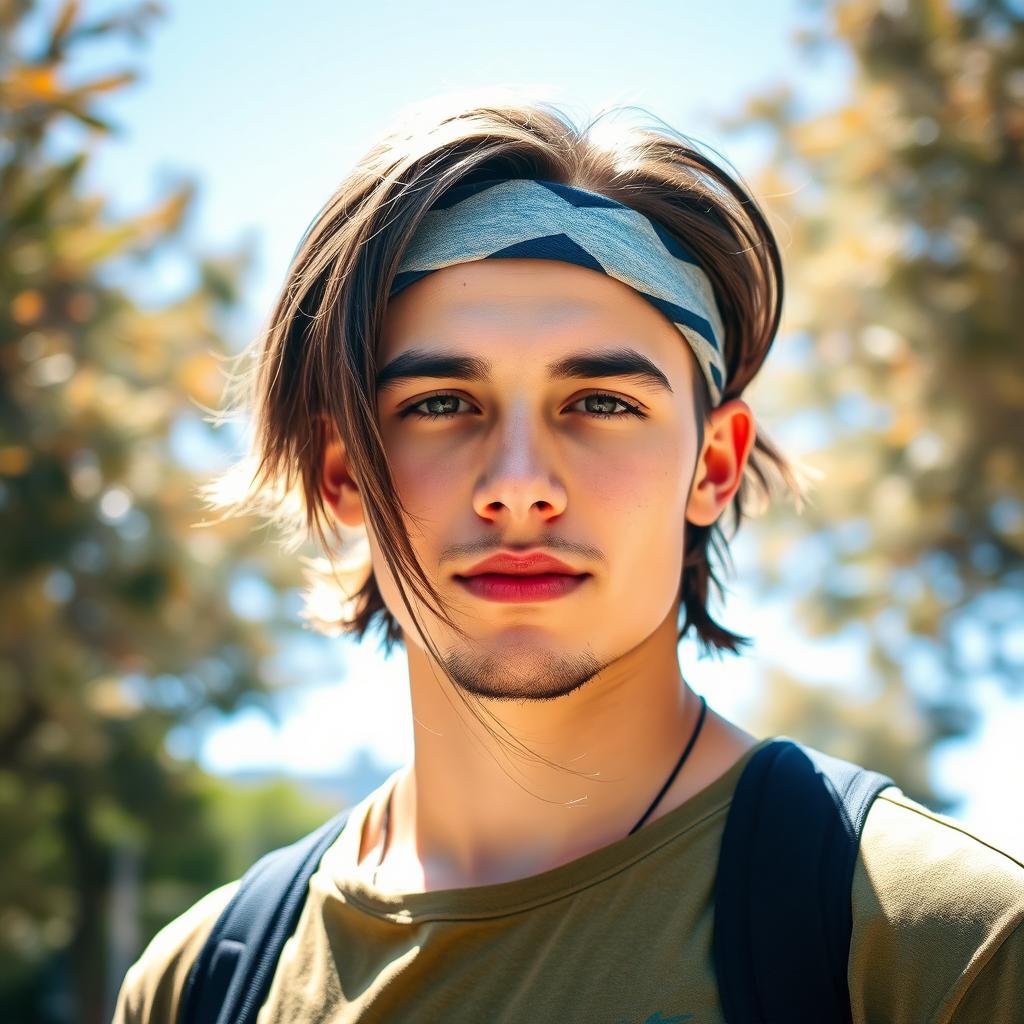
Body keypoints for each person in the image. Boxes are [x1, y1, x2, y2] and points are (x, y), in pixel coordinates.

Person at [112, 92, 1024, 1023]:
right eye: (439, 404)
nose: (517, 486)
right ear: (343, 473)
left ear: (712, 465)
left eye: (600, 403)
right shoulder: (196, 987)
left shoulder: (942, 952)